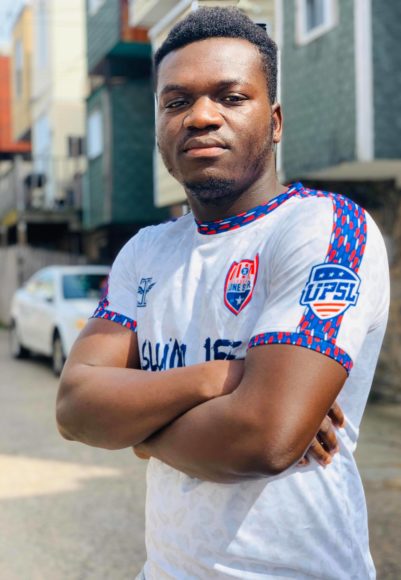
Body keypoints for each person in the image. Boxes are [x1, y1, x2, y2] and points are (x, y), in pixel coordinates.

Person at [56, 7, 389, 579]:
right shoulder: (145, 251)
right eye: (176, 102)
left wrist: (137, 430)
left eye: (231, 97)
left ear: (275, 121)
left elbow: (263, 438)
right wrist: (217, 378)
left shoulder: (325, 228)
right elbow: (75, 406)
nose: (201, 117)